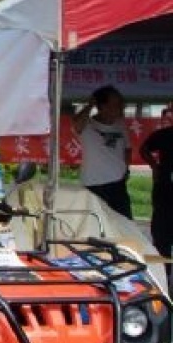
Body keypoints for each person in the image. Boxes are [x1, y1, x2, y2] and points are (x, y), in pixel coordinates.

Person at [72, 85, 132, 218]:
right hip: (94, 184)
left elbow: (127, 148)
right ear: (102, 106)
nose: (120, 108)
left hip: (118, 184)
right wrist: (90, 105)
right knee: (97, 226)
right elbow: (76, 124)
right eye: (116, 104)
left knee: (124, 225)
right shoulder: (87, 125)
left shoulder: (120, 124)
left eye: (121, 104)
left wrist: (126, 169)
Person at [140, 106, 173, 277]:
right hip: (165, 192)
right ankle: (163, 276)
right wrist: (154, 166)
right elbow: (144, 148)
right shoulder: (165, 134)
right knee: (161, 238)